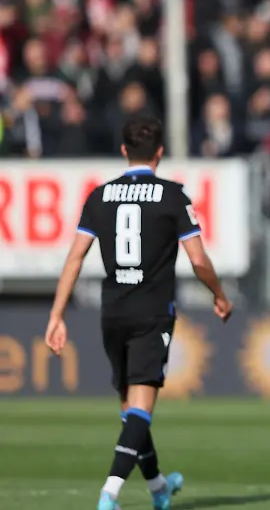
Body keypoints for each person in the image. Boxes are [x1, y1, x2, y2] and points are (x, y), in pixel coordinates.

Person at [44, 115, 233, 510]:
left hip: (112, 313)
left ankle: (159, 487)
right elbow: (197, 259)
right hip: (151, 313)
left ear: (123, 151)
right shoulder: (173, 196)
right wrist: (218, 294)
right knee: (140, 410)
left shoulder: (98, 196)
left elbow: (74, 258)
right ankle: (109, 495)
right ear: (160, 153)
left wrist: (56, 315)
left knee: (131, 411)